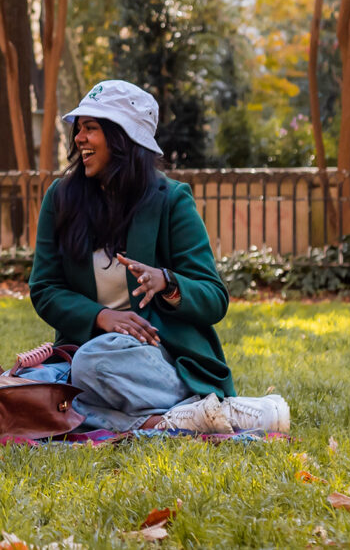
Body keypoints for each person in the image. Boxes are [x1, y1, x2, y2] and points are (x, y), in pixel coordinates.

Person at [21, 80, 289, 434]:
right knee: (43, 393)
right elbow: (45, 288)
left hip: (159, 357)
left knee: (86, 375)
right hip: (92, 352)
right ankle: (186, 417)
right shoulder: (61, 198)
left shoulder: (171, 199)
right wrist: (101, 317)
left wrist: (168, 282)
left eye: (91, 128)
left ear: (122, 137)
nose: (78, 139)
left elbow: (213, 297)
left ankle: (181, 404)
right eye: (79, 129)